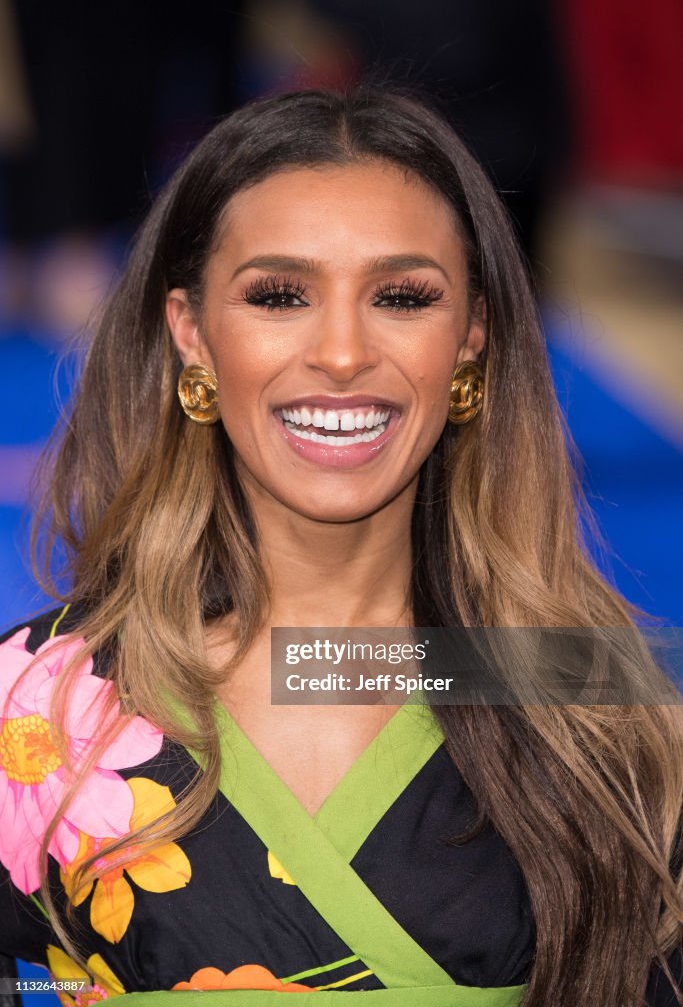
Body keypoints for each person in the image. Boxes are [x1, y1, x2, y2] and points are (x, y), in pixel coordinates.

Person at [1, 87, 682, 1006]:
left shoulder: (581, 696)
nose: (342, 351)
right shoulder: (38, 712)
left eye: (401, 297)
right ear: (191, 333)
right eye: (279, 295)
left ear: (471, 339)